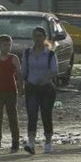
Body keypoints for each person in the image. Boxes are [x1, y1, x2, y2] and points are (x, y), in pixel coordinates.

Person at [22, 27, 58, 155]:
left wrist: (45, 78)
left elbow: (54, 70)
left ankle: (48, 142)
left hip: (46, 88)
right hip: (31, 87)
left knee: (46, 114)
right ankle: (31, 143)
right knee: (32, 115)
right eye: (35, 36)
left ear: (44, 37)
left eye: (40, 36)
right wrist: (22, 83)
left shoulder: (50, 54)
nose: (37, 38)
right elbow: (24, 71)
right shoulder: (27, 53)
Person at [0, 35, 22, 154]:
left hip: (11, 90)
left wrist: (21, 88)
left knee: (12, 117)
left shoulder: (14, 58)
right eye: (4, 45)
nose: (6, 47)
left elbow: (19, 74)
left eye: (8, 45)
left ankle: (15, 142)